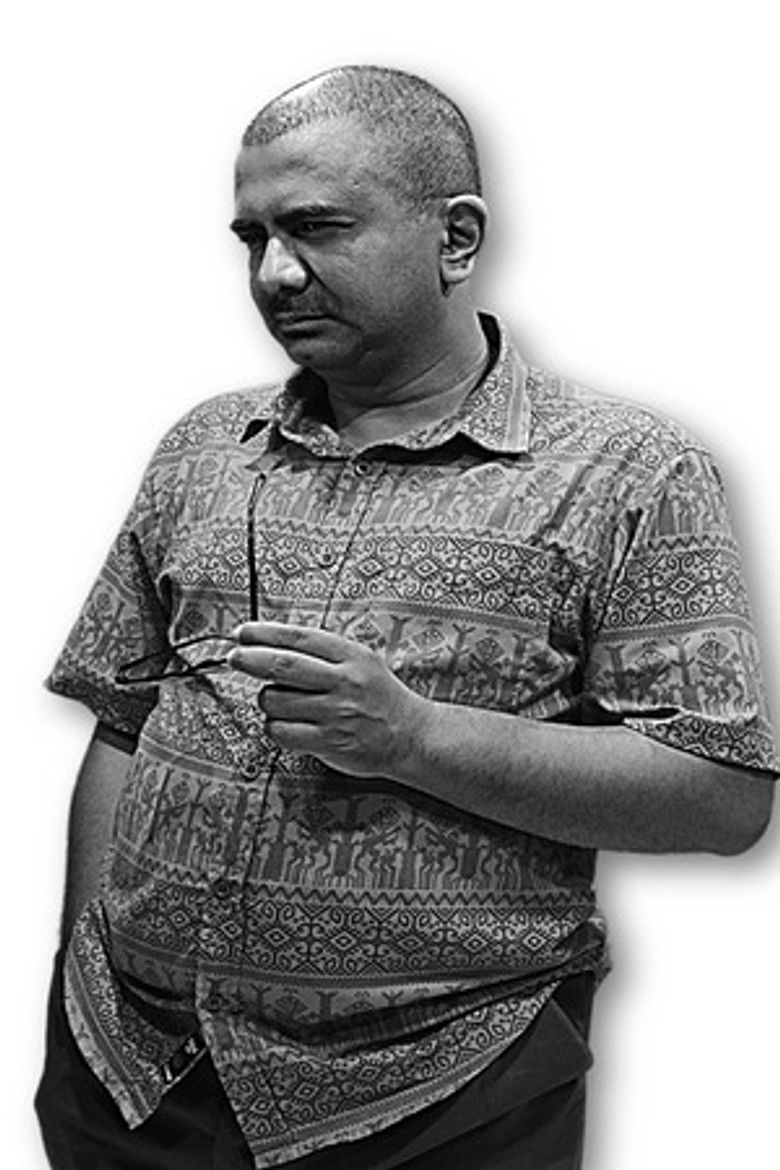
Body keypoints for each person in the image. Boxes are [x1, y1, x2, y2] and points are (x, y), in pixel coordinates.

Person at [36, 65, 777, 1170]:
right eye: (252, 237)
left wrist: (415, 738)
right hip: (133, 1079)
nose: (275, 273)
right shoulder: (202, 447)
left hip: (443, 1097)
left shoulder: (629, 472)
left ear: (457, 238)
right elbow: (124, 716)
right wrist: (81, 961)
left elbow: (721, 796)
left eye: (317, 228)